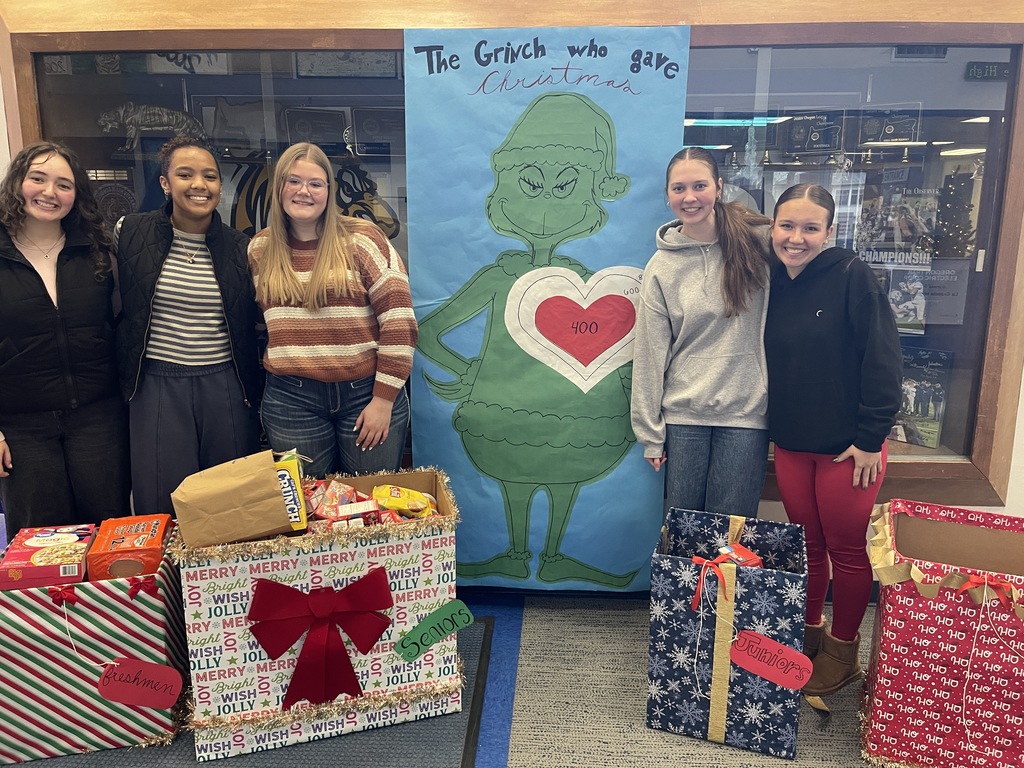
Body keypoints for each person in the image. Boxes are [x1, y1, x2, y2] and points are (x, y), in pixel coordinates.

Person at [764, 183, 902, 696]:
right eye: (787, 225)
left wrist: (871, 438)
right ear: (772, 227)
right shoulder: (772, 279)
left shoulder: (852, 276)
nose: (796, 238)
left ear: (830, 232)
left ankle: (844, 652)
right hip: (794, 443)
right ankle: (809, 637)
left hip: (850, 448)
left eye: (810, 228)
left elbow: (884, 359)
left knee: (847, 552)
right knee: (809, 548)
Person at [115, 136, 263, 517]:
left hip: (226, 383)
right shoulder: (128, 232)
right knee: (162, 499)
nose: (199, 185)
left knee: (228, 502)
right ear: (165, 182)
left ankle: (225, 578)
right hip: (156, 383)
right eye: (185, 174)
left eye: (210, 176)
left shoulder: (240, 247)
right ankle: (167, 578)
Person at [248, 142, 416, 478]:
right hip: (290, 401)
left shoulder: (364, 240)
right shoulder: (260, 249)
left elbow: (400, 324)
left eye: (315, 183)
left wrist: (383, 400)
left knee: (370, 508)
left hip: (366, 394)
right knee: (306, 514)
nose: (304, 191)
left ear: (329, 190)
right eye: (293, 181)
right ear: (279, 186)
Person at [631, 147, 773, 518]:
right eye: (679, 188)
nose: (689, 197)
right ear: (667, 195)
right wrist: (650, 434)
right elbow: (650, 351)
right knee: (683, 532)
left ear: (719, 187)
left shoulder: (758, 243)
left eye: (699, 185)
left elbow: (804, 246)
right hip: (684, 417)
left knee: (732, 534)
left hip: (745, 413)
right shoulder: (662, 265)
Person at [0, 141, 130, 539]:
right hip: (22, 427)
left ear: (77, 195)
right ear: (17, 183)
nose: (49, 193)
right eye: (38, 179)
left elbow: (120, 328)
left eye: (63, 184)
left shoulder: (98, 252)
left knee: (109, 537)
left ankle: (111, 606)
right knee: (39, 547)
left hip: (98, 419)